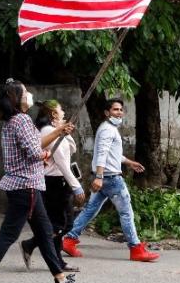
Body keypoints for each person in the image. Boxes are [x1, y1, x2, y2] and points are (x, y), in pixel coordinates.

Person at [0, 80, 87, 283]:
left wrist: (60, 131)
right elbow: (36, 151)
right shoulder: (22, 120)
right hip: (26, 187)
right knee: (8, 234)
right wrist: (44, 156)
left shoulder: (13, 120)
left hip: (27, 185)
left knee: (44, 234)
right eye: (25, 92)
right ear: (17, 98)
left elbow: (34, 146)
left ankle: (61, 281)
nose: (29, 94)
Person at [62, 99, 160, 262]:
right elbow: (102, 154)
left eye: (121, 110)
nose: (119, 112)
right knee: (126, 212)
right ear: (107, 113)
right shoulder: (108, 130)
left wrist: (129, 162)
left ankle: (69, 239)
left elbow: (112, 154)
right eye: (115, 110)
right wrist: (99, 177)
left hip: (105, 178)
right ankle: (136, 248)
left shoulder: (108, 128)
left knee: (90, 210)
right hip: (111, 179)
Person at [19, 100, 84, 273]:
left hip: (60, 182)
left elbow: (72, 149)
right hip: (54, 183)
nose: (63, 112)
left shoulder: (55, 131)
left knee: (63, 224)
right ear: (53, 114)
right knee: (60, 225)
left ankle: (49, 255)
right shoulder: (48, 131)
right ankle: (35, 247)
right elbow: (63, 161)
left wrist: (64, 131)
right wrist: (76, 186)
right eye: (60, 110)